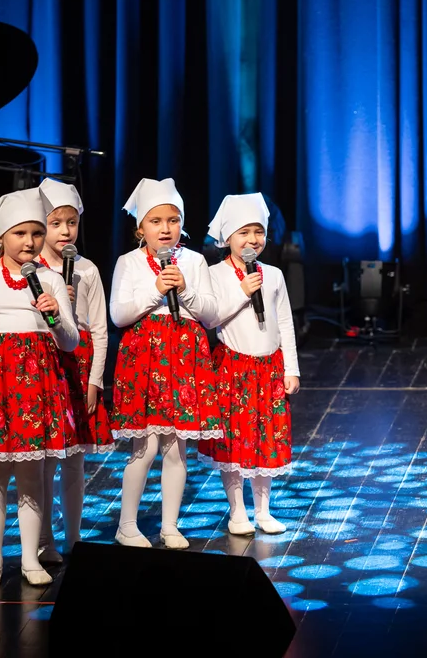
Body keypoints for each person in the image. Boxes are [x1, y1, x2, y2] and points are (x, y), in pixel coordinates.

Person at [0, 188, 79, 586]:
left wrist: (57, 317)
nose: (30, 242)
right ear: (2, 237)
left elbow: (71, 341)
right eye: (20, 233)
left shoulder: (50, 281)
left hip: (37, 390)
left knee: (32, 476)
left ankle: (30, 559)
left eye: (36, 233)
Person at [110, 178, 222, 549]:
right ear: (140, 227)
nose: (165, 228)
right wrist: (155, 290)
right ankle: (127, 525)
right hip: (144, 359)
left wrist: (184, 289)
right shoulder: (128, 262)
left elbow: (210, 313)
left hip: (185, 358)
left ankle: (169, 525)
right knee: (145, 448)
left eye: (172, 220)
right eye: (156, 221)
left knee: (176, 448)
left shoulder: (194, 260)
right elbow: (119, 314)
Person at [198, 194, 300, 535]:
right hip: (232, 369)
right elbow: (210, 318)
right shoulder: (214, 274)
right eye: (243, 232)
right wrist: (242, 291)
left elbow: (284, 322)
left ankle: (263, 510)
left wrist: (292, 368)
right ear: (228, 238)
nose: (251, 239)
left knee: (265, 440)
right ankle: (237, 510)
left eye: (257, 231)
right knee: (233, 441)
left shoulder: (272, 274)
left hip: (270, 369)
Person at [34, 178, 114, 564]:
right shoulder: (30, 269)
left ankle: (73, 536)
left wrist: (96, 379)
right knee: (46, 458)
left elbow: (98, 329)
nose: (65, 231)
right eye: (55, 223)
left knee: (75, 459)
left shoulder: (87, 269)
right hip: (42, 364)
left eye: (72, 222)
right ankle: (44, 539)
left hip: (79, 365)